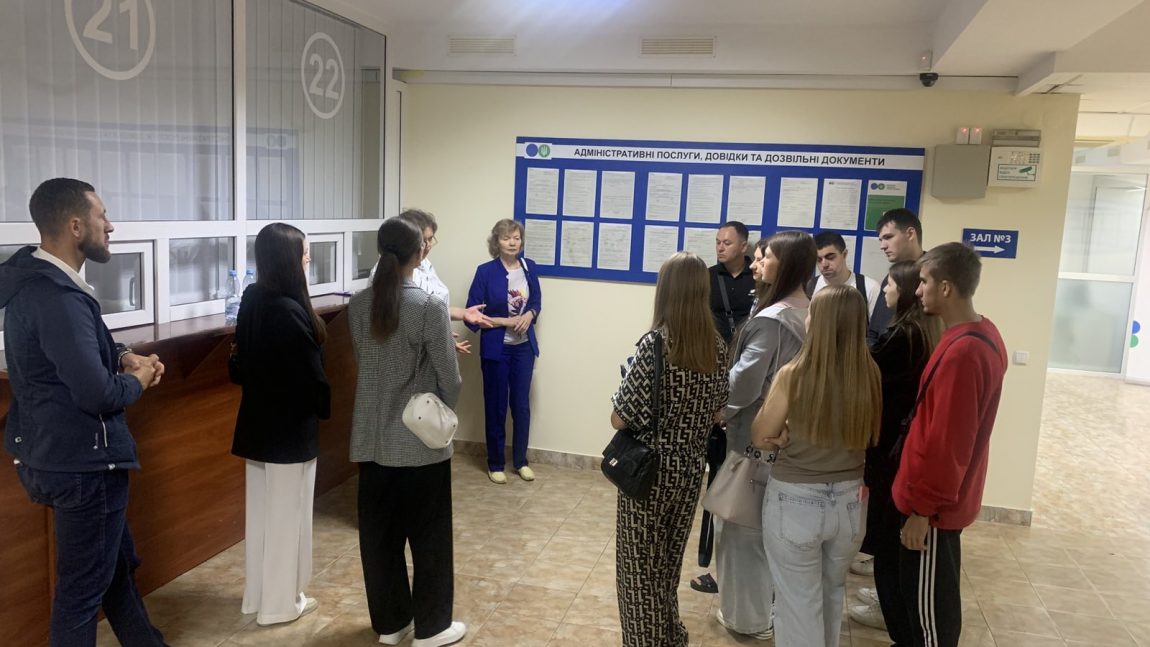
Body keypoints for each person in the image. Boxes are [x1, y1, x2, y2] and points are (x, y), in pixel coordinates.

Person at [0, 178, 168, 646]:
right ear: (76, 226)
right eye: (102, 216)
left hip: (59, 456)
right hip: (84, 466)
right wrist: (138, 379)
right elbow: (97, 394)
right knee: (81, 594)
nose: (110, 226)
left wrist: (123, 356)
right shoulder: (58, 297)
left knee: (115, 572)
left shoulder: (42, 283)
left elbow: (74, 352)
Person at [348, 218, 465, 647]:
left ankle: (391, 624)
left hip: (371, 440)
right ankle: (432, 628)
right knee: (430, 536)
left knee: (380, 539)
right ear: (420, 253)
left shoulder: (358, 304)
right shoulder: (427, 306)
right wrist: (441, 410)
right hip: (418, 443)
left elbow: (367, 363)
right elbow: (449, 378)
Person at [752, 285, 882, 647]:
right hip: (851, 503)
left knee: (797, 604)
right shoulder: (870, 373)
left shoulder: (794, 374)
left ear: (820, 322)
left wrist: (784, 433)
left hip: (795, 501)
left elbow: (761, 435)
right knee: (831, 593)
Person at [611, 251, 729, 647]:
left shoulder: (655, 345)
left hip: (649, 471)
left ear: (666, 291)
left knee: (637, 570)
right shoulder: (717, 347)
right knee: (666, 564)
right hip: (690, 467)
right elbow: (718, 411)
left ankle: (644, 640)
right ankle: (668, 634)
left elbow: (620, 418)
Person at [894, 243, 1007, 647]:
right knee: (922, 607)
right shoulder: (977, 333)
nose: (917, 291)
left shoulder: (965, 352)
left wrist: (923, 510)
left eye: (924, 282)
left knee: (930, 621)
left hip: (934, 512)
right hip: (935, 504)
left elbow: (949, 443)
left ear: (945, 288)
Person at [714, 230, 816, 640]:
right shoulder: (809, 309)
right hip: (790, 440)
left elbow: (744, 383)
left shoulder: (773, 320)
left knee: (742, 532)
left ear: (785, 265)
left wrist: (719, 409)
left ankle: (747, 618)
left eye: (764, 257)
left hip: (755, 439)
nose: (755, 264)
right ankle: (766, 610)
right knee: (773, 533)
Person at [230, 222, 331, 626]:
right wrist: (322, 407)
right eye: (304, 253)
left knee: (261, 517)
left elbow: (239, 363)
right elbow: (311, 377)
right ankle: (279, 605)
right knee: (289, 518)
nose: (308, 258)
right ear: (289, 259)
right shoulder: (289, 311)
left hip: (257, 425)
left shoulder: (253, 297)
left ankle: (258, 597)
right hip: (289, 431)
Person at [848, 261, 942, 641]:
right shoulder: (922, 330)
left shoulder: (904, 335)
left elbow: (867, 376)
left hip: (891, 450)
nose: (885, 291)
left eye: (890, 285)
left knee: (888, 548)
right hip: (896, 448)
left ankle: (899, 630)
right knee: (889, 544)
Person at [692, 220, 755, 594]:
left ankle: (730, 564)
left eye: (727, 242)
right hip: (712, 370)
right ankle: (708, 558)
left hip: (746, 372)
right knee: (714, 466)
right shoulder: (706, 277)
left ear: (744, 246)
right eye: (717, 242)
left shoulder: (756, 278)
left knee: (735, 470)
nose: (720, 247)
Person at [465, 219, 542, 484]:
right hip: (496, 350)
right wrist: (506, 321)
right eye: (506, 238)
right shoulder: (485, 272)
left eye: (516, 238)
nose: (512, 242)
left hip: (523, 349)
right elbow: (471, 315)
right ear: (496, 242)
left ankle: (521, 462)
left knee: (521, 407)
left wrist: (530, 315)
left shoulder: (529, 267)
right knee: (496, 406)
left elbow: (536, 301)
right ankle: (495, 463)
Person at [395, 208, 494, 353]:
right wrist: (437, 336)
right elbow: (401, 323)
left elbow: (432, 307)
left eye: (430, 239)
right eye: (423, 241)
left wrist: (463, 313)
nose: (428, 245)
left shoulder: (424, 263)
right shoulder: (393, 272)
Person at [867, 209, 925, 347]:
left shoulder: (933, 275)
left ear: (910, 234)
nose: (882, 246)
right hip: (881, 356)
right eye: (881, 240)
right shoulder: (890, 278)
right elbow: (875, 330)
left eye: (888, 237)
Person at [808, 231, 881, 317]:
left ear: (845, 254)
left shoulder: (869, 288)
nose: (824, 265)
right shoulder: (809, 288)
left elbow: (877, 325)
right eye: (818, 260)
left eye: (830, 257)